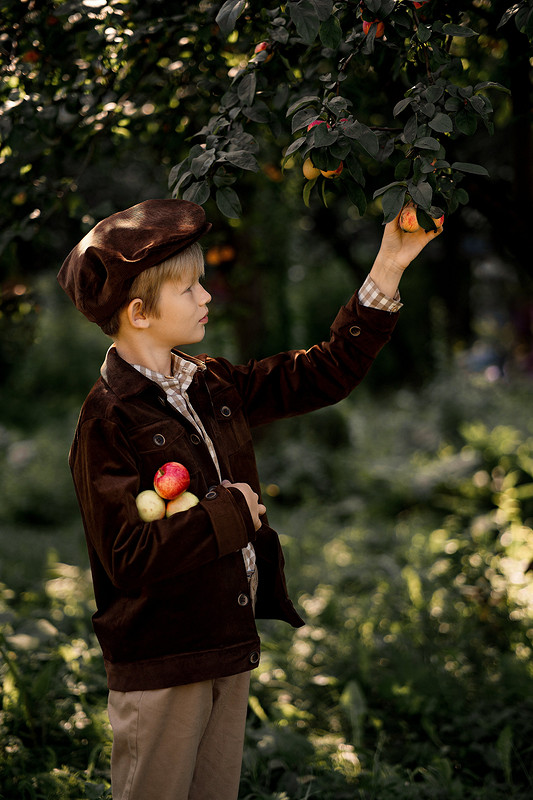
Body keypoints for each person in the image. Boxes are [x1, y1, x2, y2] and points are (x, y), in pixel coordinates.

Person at [57, 197, 442, 800]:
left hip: (223, 642)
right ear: (139, 312)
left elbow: (323, 372)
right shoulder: (106, 419)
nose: (207, 298)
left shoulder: (209, 384)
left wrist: (390, 263)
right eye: (189, 289)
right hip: (162, 659)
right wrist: (232, 513)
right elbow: (127, 556)